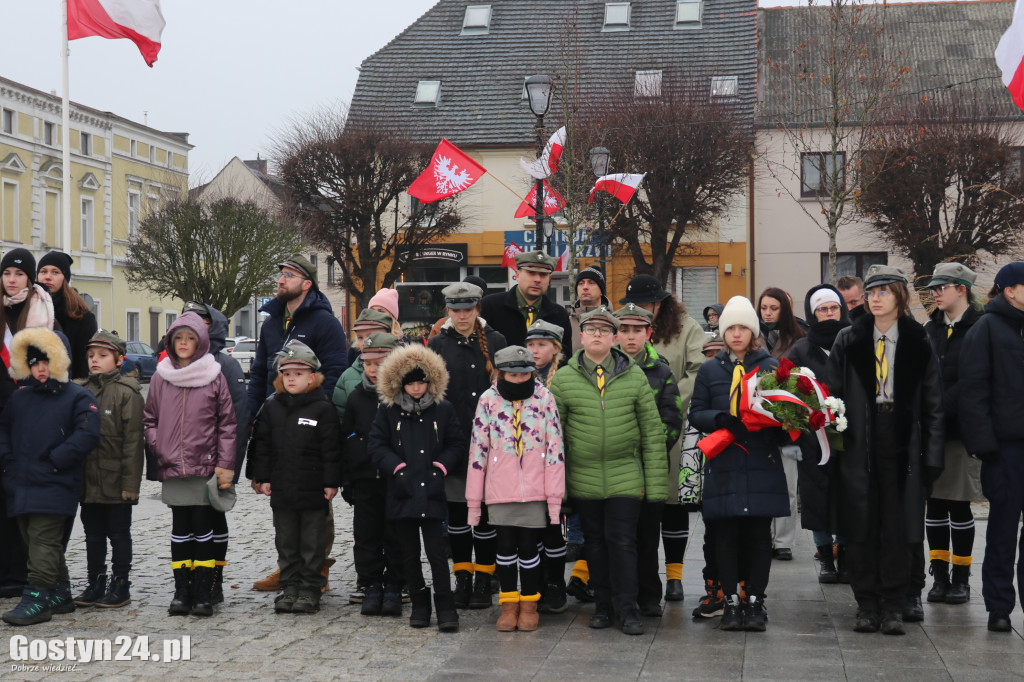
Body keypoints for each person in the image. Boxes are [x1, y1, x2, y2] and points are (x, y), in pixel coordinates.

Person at [826, 265, 943, 635]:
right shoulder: (849, 338)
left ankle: (893, 605)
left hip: (903, 442)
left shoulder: (917, 340)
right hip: (860, 440)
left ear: (900, 298)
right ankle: (866, 605)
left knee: (898, 527)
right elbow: (829, 396)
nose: (875, 299)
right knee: (861, 526)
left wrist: (933, 457)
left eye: (884, 292)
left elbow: (934, 404)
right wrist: (835, 445)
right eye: (871, 292)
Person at [550, 307, 667, 635]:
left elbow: (652, 434)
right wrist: (557, 488)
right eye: (591, 330)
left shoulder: (634, 375)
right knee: (595, 545)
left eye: (604, 330)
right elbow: (553, 436)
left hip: (625, 476)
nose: (597, 335)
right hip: (583, 478)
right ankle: (602, 606)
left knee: (623, 542)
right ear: (581, 337)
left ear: (614, 338)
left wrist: (656, 489)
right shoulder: (564, 378)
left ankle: (627, 609)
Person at [689, 296, 789, 632]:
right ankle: (731, 601)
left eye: (742, 327)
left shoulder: (770, 368)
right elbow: (696, 412)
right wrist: (721, 418)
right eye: (730, 327)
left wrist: (783, 426)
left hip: (762, 459)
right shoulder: (710, 369)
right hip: (725, 462)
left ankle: (756, 601)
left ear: (753, 331)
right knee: (725, 536)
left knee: (760, 536)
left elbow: (787, 412)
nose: (735, 334)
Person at [249, 255, 348, 592]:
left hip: (312, 420)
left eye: (288, 275)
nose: (281, 280)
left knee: (317, 502)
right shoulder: (271, 324)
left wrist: (318, 410)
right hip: (277, 421)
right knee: (285, 501)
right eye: (280, 275)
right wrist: (255, 415)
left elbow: (334, 371)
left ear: (306, 283)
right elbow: (261, 372)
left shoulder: (324, 322)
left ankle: (317, 568)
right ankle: (289, 567)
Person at [0, 327, 100, 625]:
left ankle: (37, 597)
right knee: (33, 540)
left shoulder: (78, 396)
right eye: (34, 363)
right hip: (20, 481)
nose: (40, 369)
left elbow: (87, 433)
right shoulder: (20, 399)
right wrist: (8, 461)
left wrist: (56, 460)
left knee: (43, 541)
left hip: (56, 481)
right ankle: (60, 593)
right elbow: (3, 429)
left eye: (46, 361)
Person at [466, 346, 565, 631]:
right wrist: (474, 502)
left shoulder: (545, 398)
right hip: (500, 489)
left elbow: (555, 448)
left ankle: (530, 604)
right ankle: (508, 605)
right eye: (512, 374)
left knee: (529, 547)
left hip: (536, 489)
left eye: (525, 374)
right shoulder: (488, 400)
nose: (519, 380)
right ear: (501, 373)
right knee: (505, 547)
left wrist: (554, 498)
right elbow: (477, 451)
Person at [144, 313, 237, 618]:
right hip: (173, 466)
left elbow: (227, 424)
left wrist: (224, 464)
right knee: (180, 529)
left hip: (205, 466)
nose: (183, 344)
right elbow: (150, 420)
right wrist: (159, 446)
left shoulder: (214, 375)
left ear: (201, 342)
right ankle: (181, 590)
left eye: (190, 338)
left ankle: (203, 591)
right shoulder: (161, 377)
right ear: (171, 342)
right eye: (178, 338)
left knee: (204, 528)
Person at [619, 274, 703, 599]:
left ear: (661, 303)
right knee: (639, 510)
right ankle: (643, 575)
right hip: (627, 429)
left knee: (672, 503)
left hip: (670, 425)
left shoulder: (686, 326)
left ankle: (675, 576)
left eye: (646, 304)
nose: (641, 310)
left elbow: (697, 369)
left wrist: (668, 401)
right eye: (636, 304)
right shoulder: (626, 327)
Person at [370, 343, 464, 632]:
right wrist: (397, 469)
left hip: (433, 492)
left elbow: (456, 443)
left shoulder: (443, 410)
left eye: (421, 382)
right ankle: (420, 604)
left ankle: (446, 606)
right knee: (408, 553)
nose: (416, 388)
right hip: (402, 492)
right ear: (401, 384)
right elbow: (376, 444)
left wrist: (441, 468)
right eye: (410, 383)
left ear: (430, 382)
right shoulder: (388, 411)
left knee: (437, 553)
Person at [428, 281, 506, 609]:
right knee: (458, 518)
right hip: (454, 444)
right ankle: (462, 576)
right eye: (456, 311)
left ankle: (485, 578)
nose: (462, 316)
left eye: (468, 310)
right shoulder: (436, 344)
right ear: (447, 311)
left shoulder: (497, 341)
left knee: (486, 518)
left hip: (490, 444)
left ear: (477, 309)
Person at [249, 340, 341, 615]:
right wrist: (262, 477)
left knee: (312, 544)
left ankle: (311, 588)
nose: (291, 379)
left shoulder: (323, 409)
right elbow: (262, 445)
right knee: (286, 541)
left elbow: (332, 450)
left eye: (298, 374)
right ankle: (289, 587)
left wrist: (331, 482)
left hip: (313, 492)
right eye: (286, 373)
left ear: (312, 377)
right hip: (283, 491)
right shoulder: (272, 407)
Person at [958, 262, 1024, 633]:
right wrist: (985, 445)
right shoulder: (986, 328)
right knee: (1001, 530)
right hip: (1005, 450)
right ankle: (999, 606)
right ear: (1009, 290)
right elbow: (973, 391)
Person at [614, 303, 685, 614]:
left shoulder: (661, 370)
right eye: (625, 330)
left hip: (650, 466)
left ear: (648, 333)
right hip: (615, 466)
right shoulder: (605, 367)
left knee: (647, 535)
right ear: (615, 334)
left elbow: (672, 418)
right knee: (617, 535)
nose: (631, 337)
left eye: (637, 330)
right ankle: (619, 596)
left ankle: (648, 596)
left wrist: (649, 450)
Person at [178, 301, 250, 605]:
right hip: (182, 465)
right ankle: (188, 582)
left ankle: (213, 582)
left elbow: (239, 419)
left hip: (214, 461)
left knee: (213, 520)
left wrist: (229, 465)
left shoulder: (226, 365)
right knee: (183, 524)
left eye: (202, 320)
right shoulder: (172, 365)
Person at [922, 263, 983, 607]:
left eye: (942, 287)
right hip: (932, 432)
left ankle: (961, 578)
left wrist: (939, 405)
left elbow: (975, 379)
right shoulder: (929, 329)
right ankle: (939, 575)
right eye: (933, 288)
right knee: (934, 505)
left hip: (960, 431)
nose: (935, 293)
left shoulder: (978, 327)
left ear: (961, 289)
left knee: (959, 506)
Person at [72, 331, 145, 609]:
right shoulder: (80, 390)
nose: (95, 360)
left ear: (118, 360)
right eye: (91, 355)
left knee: (118, 533)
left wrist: (130, 485)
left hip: (116, 480)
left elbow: (133, 443)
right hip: (88, 480)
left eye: (102, 356)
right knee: (92, 534)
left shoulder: (127, 393)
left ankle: (121, 583)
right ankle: (95, 581)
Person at [785, 284, 851, 583]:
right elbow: (785, 391)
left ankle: (847, 554)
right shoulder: (801, 348)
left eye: (833, 308)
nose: (828, 314)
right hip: (814, 439)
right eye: (822, 309)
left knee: (848, 495)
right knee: (817, 499)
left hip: (849, 435)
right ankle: (825, 557)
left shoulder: (854, 340)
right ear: (813, 314)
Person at [0, 248, 56, 600]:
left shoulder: (41, 312)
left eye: (18, 274)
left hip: (28, 414)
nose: (11, 279)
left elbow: (49, 361)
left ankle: (22, 573)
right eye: (6, 273)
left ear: (29, 278)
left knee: (21, 499)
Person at [339, 332, 405, 617]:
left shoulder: (405, 396)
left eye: (380, 363)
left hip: (396, 479)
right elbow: (348, 436)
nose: (373, 369)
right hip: (365, 478)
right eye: (368, 364)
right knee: (366, 534)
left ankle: (396, 582)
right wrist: (349, 477)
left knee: (396, 532)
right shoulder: (357, 397)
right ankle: (369, 582)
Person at [523, 319, 573, 612]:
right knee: (532, 529)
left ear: (555, 349)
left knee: (554, 529)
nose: (534, 350)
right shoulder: (518, 375)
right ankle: (536, 581)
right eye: (530, 345)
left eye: (541, 345)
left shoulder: (564, 379)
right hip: (527, 468)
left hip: (556, 466)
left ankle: (555, 583)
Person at [480, 250, 572, 362]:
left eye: (543, 274)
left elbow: (565, 359)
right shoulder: (490, 306)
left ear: (549, 279)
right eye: (531, 273)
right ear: (517, 275)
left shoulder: (559, 315)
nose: (537, 280)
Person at [37, 251, 98, 380]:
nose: (48, 277)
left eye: (55, 272)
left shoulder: (82, 317)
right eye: (43, 271)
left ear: (65, 278)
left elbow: (84, 366)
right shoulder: (27, 309)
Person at [567, 266, 610, 339]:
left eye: (591, 283)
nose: (585, 287)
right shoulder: (566, 323)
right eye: (581, 283)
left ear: (601, 291)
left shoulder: (615, 322)